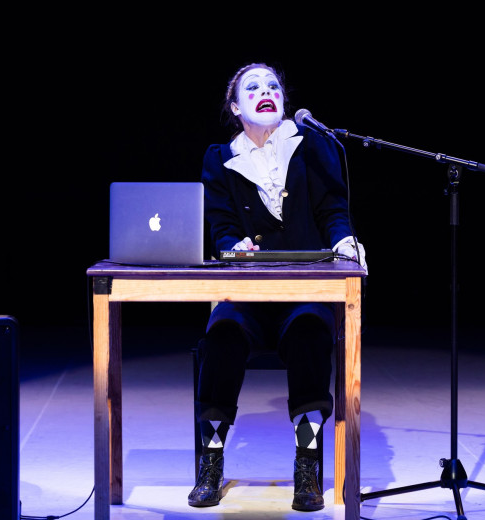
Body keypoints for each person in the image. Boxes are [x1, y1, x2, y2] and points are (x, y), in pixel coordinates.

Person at [188, 62, 367, 512]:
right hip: (248, 293)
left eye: (272, 85)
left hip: (304, 291)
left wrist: (344, 241)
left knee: (310, 333)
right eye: (252, 87)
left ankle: (307, 465)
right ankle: (211, 461)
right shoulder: (220, 157)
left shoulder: (312, 144)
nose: (265, 91)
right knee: (221, 336)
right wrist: (235, 247)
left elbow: (333, 209)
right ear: (235, 107)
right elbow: (221, 226)